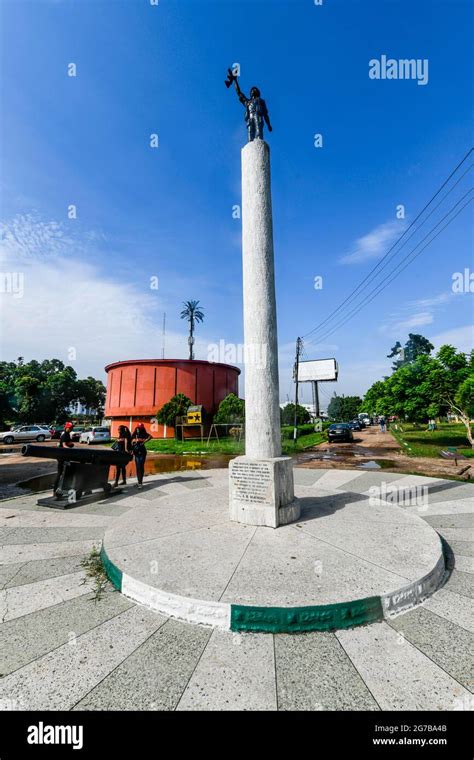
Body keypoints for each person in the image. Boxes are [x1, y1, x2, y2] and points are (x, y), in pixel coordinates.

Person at [53, 421, 74, 497]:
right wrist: (71, 448)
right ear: (66, 428)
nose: (71, 429)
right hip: (62, 457)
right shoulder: (65, 434)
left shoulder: (67, 434)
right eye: (70, 427)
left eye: (72, 427)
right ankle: (55, 490)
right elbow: (64, 445)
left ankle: (63, 489)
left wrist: (71, 444)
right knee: (60, 474)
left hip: (65, 456)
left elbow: (67, 443)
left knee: (66, 473)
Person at [130, 423, 152, 489]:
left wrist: (143, 441)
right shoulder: (134, 434)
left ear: (142, 428)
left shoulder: (144, 433)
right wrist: (134, 441)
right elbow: (131, 441)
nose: (139, 429)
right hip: (136, 452)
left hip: (142, 452)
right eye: (138, 428)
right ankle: (139, 481)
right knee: (138, 467)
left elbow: (151, 436)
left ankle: (140, 482)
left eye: (140, 428)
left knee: (141, 466)